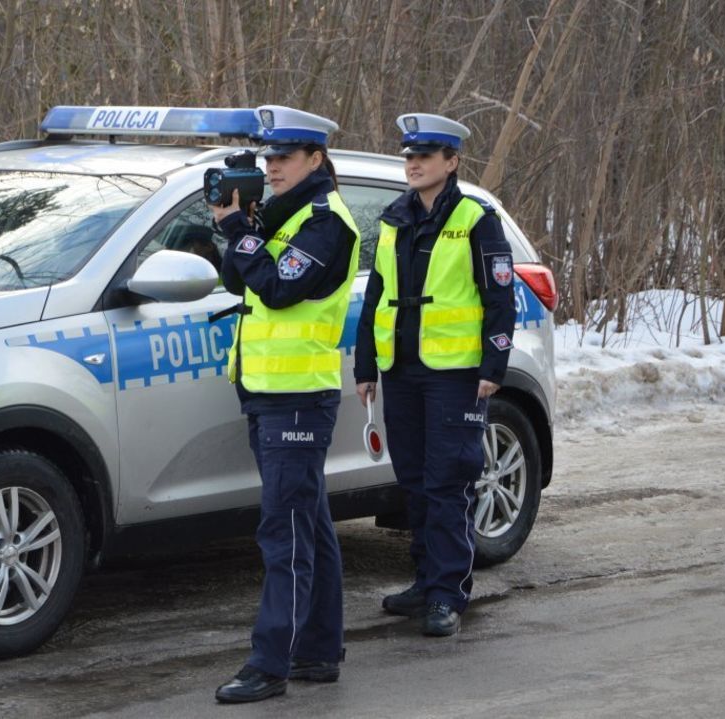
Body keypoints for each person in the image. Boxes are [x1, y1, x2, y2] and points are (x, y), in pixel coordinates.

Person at [209, 106, 361, 704]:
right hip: (268, 392)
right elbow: (237, 279)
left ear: (315, 159)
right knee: (310, 526)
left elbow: (275, 285)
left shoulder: (327, 223)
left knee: (285, 532)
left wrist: (243, 235)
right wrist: (237, 227)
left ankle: (270, 664)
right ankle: (320, 651)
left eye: (283, 157)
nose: (271, 168)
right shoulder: (284, 215)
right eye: (268, 158)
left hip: (297, 398)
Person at [353, 113, 517, 637]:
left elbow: (499, 296)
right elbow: (376, 296)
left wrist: (494, 364)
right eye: (409, 156)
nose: (414, 164)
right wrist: (366, 365)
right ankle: (425, 582)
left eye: (425, 156)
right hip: (401, 370)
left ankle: (449, 593)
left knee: (449, 482)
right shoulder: (393, 218)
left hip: (455, 374)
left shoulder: (475, 218)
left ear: (451, 162)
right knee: (416, 482)